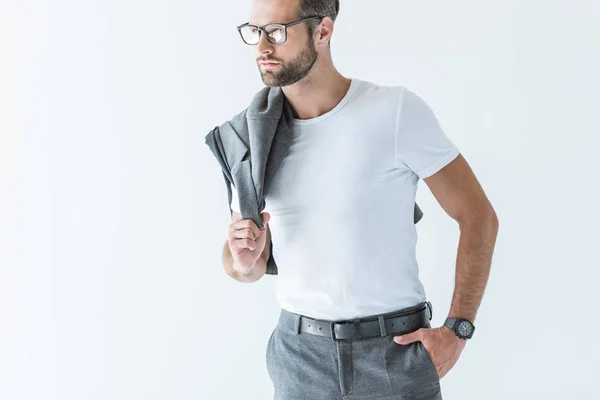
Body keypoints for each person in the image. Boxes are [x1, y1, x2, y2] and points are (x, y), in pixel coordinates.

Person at [220, 0, 499, 398]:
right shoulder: (251, 138)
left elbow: (478, 215)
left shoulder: (394, 111)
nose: (263, 46)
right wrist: (245, 261)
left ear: (322, 31)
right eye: (255, 32)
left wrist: (459, 328)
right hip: (300, 358)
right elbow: (241, 265)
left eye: (278, 32)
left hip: (396, 352)